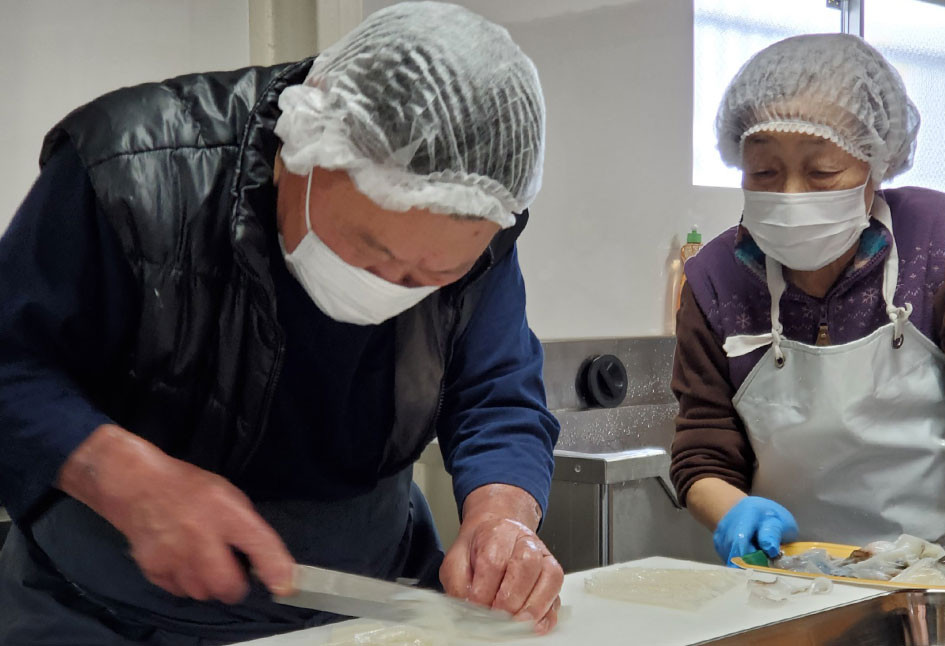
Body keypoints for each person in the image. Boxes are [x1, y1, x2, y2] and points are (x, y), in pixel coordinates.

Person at [0, 3, 564, 643]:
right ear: (297, 155)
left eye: (433, 277)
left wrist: (502, 516)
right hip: (107, 605)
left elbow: (495, 393)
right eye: (372, 252)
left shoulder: (480, 219)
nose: (395, 288)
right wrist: (120, 474)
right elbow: (11, 364)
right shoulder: (132, 173)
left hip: (373, 599)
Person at [671, 34, 945, 600]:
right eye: (765, 173)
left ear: (877, 164)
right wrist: (733, 510)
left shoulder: (943, 244)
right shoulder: (718, 280)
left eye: (821, 172)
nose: (792, 195)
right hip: (795, 584)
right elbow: (703, 451)